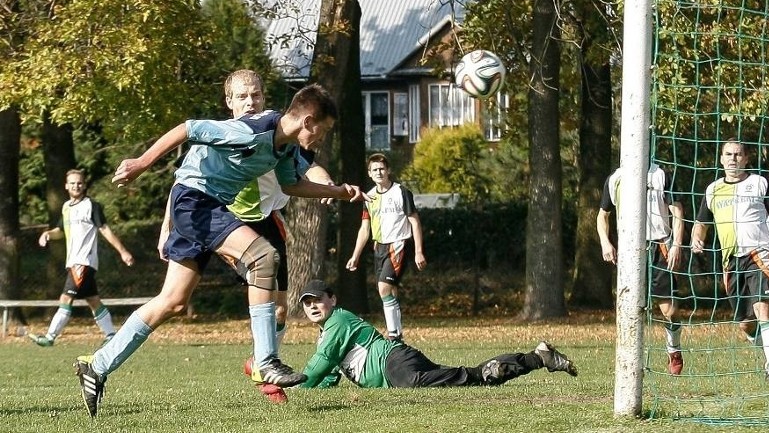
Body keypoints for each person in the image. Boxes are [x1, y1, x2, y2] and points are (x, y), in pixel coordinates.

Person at [73, 77, 369, 417]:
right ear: (308, 122)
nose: (321, 138)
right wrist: (142, 163)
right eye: (322, 131)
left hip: (208, 208)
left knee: (172, 301)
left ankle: (96, 365)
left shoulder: (285, 146)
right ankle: (266, 361)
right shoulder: (248, 132)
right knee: (262, 257)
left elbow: (290, 184)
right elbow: (187, 129)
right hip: (194, 202)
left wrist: (337, 191)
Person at [155, 71, 334, 381]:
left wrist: (328, 185)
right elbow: (185, 179)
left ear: (264, 97)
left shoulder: (277, 130)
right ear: (229, 102)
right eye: (242, 97)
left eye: (256, 95)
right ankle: (267, 367)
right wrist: (166, 226)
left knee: (280, 310)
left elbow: (306, 167)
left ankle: (262, 365)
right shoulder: (220, 134)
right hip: (220, 217)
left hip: (265, 221)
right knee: (177, 299)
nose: (250, 102)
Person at [297, 279, 578, 389]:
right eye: (307, 303)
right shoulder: (328, 331)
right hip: (397, 365)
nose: (313, 307)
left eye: (317, 300)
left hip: (393, 363)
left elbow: (321, 361)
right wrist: (310, 391)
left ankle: (486, 373)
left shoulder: (338, 320)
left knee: (417, 383)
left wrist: (296, 386)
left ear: (332, 299)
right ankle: (537, 357)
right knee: (472, 375)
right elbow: (327, 373)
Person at [691, 139, 769, 382]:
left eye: (738, 154)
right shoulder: (713, 189)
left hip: (759, 253)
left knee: (763, 307)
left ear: (746, 159)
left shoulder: (759, 183)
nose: (733, 158)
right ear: (721, 159)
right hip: (730, 260)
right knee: (745, 323)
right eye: (728, 154)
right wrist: (697, 239)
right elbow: (701, 224)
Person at [596, 162, 686, 375]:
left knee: (669, 310)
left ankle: (674, 349)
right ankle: (632, 362)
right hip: (629, 249)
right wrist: (605, 242)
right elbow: (602, 215)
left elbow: (677, 211)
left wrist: (676, 245)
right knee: (630, 308)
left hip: (659, 246)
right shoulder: (615, 178)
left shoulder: (661, 174)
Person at [28, 169, 135, 347]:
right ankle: (111, 335)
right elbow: (60, 232)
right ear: (66, 186)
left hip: (84, 261)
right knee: (93, 301)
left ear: (84, 185)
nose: (76, 186)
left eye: (79, 183)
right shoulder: (65, 207)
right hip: (73, 262)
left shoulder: (91, 205)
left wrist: (123, 251)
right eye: (72, 183)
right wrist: (47, 234)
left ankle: (50, 337)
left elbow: (105, 229)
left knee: (65, 299)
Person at [345, 153, 426, 341]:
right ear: (369, 173)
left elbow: (414, 221)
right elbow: (365, 228)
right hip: (379, 248)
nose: (379, 172)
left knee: (384, 287)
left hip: (398, 245)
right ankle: (398, 334)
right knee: (390, 291)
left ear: (388, 170)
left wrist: (419, 251)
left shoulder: (401, 192)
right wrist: (355, 255)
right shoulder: (369, 196)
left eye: (382, 168)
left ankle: (393, 334)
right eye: (375, 170)